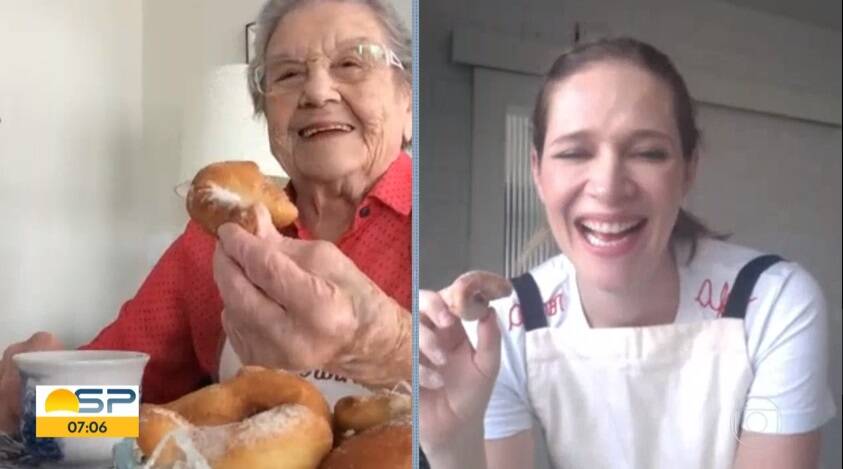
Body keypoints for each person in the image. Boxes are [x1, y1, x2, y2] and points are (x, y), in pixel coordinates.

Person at [419, 38, 836, 469]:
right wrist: (452, 445)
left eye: (647, 153)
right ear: (537, 171)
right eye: (575, 152)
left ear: (688, 169)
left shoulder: (770, 303)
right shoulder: (505, 324)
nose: (608, 186)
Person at [0, 0, 412, 433]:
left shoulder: (448, 220)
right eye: (287, 74)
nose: (317, 92)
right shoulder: (212, 240)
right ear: (265, 116)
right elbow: (124, 409)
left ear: (408, 104)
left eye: (351, 62)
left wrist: (388, 345)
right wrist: (40, 403)